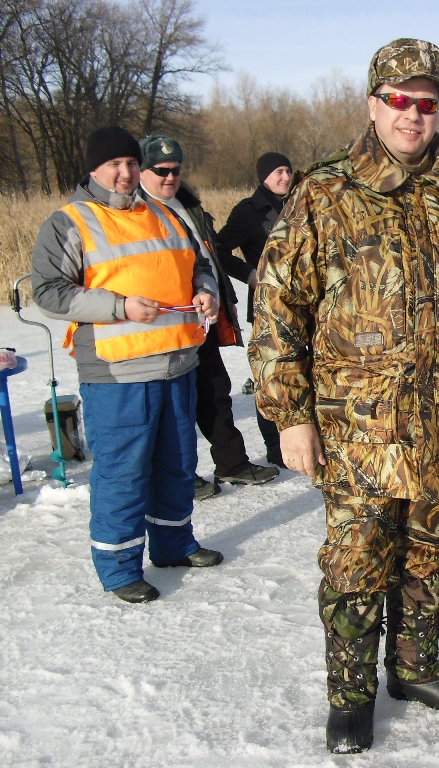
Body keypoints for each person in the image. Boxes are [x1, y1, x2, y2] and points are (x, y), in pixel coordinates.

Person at [247, 39, 439, 754]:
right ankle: (350, 696)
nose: (413, 115)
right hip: (358, 427)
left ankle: (414, 666)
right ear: (374, 103)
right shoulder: (325, 193)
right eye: (399, 100)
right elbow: (277, 309)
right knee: (356, 556)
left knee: (429, 548)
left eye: (427, 102)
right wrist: (289, 415)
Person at [31, 125, 224, 603]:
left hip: (177, 364)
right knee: (123, 472)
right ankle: (118, 568)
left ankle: (174, 544)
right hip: (118, 373)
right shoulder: (70, 221)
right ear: (94, 168)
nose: (125, 173)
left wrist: (207, 292)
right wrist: (118, 307)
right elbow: (48, 293)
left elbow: (198, 263)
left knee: (178, 464)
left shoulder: (165, 213)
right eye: (115, 165)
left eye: (131, 164)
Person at [138, 136, 280, 499]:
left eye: (176, 171)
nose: (171, 177)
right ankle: (177, 478)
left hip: (202, 318)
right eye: (161, 171)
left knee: (216, 391)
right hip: (160, 326)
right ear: (141, 171)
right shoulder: (138, 211)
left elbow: (209, 256)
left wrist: (217, 295)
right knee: (171, 406)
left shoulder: (189, 206)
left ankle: (232, 463)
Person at [217, 152, 294, 466]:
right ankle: (276, 449)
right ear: (263, 176)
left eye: (288, 171)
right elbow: (219, 249)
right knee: (272, 376)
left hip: (308, 303)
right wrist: (250, 274)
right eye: (278, 171)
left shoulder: (300, 204)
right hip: (268, 305)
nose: (285, 177)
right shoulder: (248, 212)